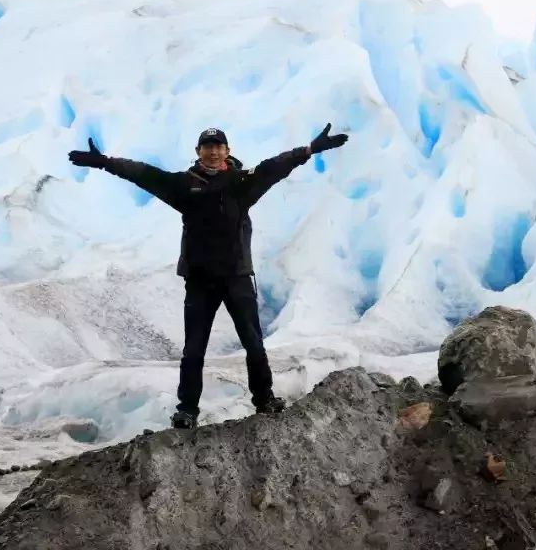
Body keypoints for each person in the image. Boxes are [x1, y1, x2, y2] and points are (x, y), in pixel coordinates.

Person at [68, 124, 349, 429]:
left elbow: (275, 167)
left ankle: (264, 399)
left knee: (254, 344)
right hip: (200, 280)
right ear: (198, 152)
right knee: (194, 349)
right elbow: (145, 174)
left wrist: (308, 150)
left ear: (227, 151)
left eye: (218, 147)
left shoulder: (243, 182)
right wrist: (106, 162)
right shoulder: (184, 185)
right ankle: (187, 410)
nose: (213, 152)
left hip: (236, 276)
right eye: (207, 147)